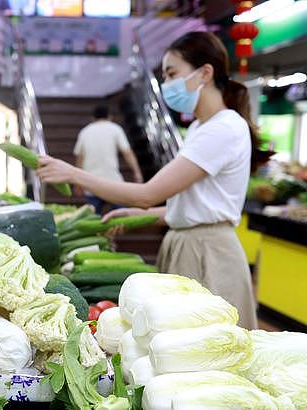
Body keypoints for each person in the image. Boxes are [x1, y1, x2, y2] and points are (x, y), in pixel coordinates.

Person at [37, 32, 265, 329]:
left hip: (208, 252)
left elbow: (148, 193)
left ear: (205, 73)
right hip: (188, 243)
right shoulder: (199, 127)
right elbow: (193, 206)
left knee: (207, 353)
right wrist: (139, 216)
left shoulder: (223, 128)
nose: (167, 84)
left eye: (172, 74)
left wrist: (73, 173)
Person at [73, 106, 143, 211]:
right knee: (121, 218)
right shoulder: (115, 129)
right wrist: (137, 172)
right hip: (113, 182)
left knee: (93, 220)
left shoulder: (85, 131)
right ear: (110, 116)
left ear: (93, 118)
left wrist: (77, 183)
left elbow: (79, 158)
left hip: (91, 183)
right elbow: (127, 153)